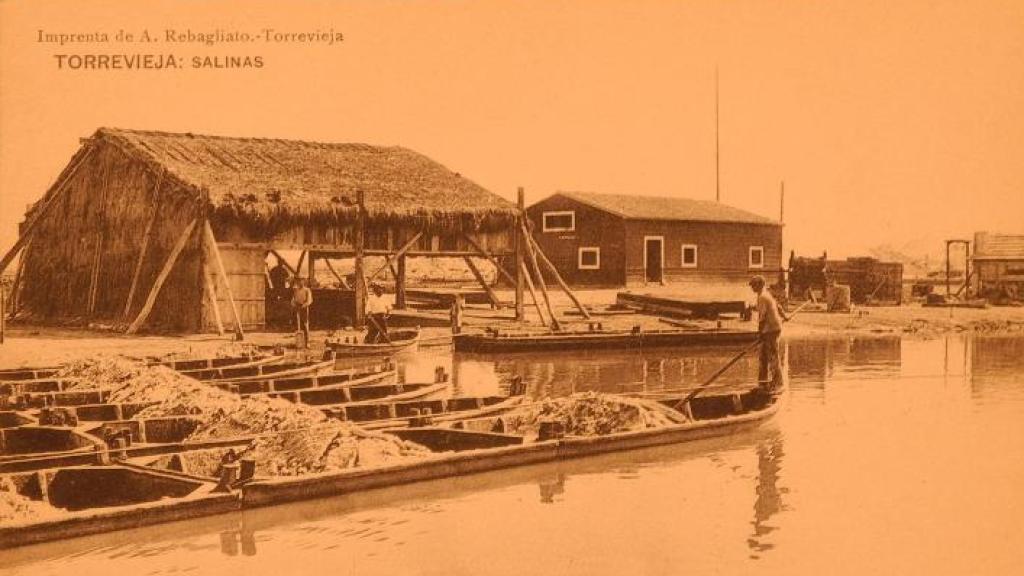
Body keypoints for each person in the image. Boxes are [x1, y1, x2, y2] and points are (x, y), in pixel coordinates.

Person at [749, 275, 790, 392]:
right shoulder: (766, 295)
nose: (752, 288)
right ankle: (763, 383)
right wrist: (784, 316)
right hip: (771, 329)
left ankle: (778, 384)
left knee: (772, 356)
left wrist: (760, 333)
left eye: (753, 285)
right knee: (763, 356)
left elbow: (762, 318)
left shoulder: (763, 297)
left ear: (760, 285)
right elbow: (778, 307)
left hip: (771, 330)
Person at [291, 276, 313, 347]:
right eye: (299, 281)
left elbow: (309, 300)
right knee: (297, 325)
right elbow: (293, 299)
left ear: (304, 282)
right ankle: (299, 342)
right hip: (297, 308)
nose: (300, 282)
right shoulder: (295, 290)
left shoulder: (307, 290)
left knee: (305, 325)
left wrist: (304, 305)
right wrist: (293, 304)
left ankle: (307, 342)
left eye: (302, 281)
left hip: (304, 308)